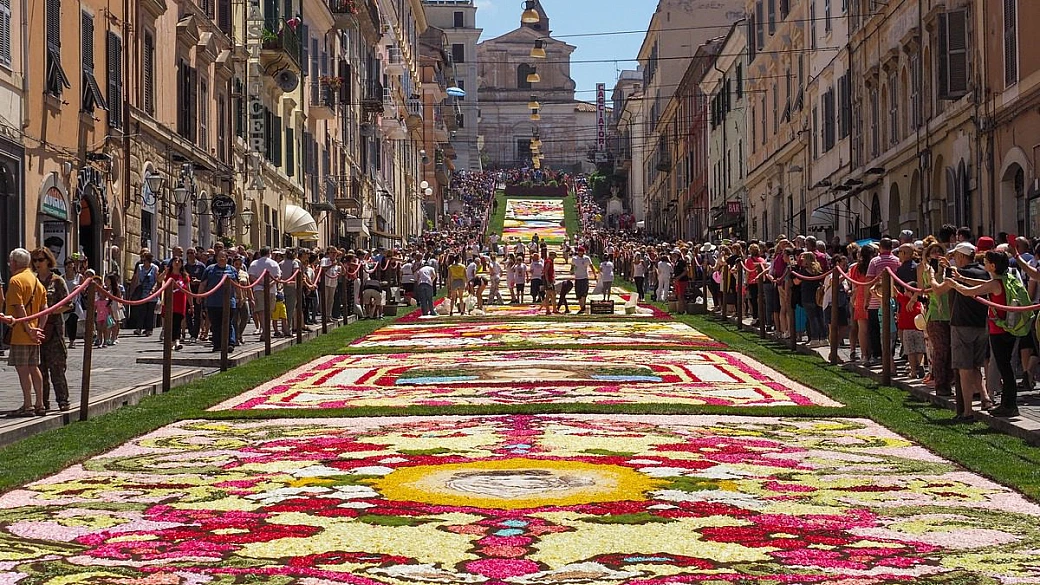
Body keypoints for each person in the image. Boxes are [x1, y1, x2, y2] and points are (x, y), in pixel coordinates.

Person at [947, 249, 1021, 418]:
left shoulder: (994, 283)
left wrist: (953, 284)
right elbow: (978, 285)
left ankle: (1009, 404)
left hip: (998, 330)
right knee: (1006, 366)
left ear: (993, 266)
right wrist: (962, 278)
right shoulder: (1003, 279)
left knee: (1004, 367)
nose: (984, 263)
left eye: (986, 262)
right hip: (1007, 329)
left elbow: (969, 292)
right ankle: (1008, 403)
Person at [932, 242, 992, 421]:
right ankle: (985, 397)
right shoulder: (984, 272)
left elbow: (938, 289)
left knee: (964, 369)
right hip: (982, 325)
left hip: (962, 325)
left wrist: (932, 274)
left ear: (961, 257)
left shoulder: (960, 274)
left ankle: (967, 411)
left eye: (956, 255)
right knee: (975, 365)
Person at [3, 248, 48, 416]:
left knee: (23, 370)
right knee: (34, 368)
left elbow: (19, 307)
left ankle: (28, 405)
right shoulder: (37, 282)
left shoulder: (16, 281)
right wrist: (38, 330)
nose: (9, 265)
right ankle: (40, 403)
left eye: (10, 262)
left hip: (21, 334)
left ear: (14, 263)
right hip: (35, 334)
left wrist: (29, 329)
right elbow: (45, 309)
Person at [34, 248, 72, 412]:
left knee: (56, 367)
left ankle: (62, 400)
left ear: (48, 260)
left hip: (53, 330)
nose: (37, 263)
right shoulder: (33, 281)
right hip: (37, 330)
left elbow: (67, 304)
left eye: (40, 259)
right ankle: (43, 402)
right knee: (40, 368)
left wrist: (49, 311)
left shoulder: (57, 281)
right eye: (34, 260)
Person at [200, 250, 238, 352]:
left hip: (229, 302)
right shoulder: (210, 269)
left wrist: (241, 297)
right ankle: (217, 344)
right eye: (219, 257)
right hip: (213, 302)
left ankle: (230, 343)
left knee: (228, 323)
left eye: (224, 257)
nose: (222, 259)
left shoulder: (232, 270)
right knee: (216, 324)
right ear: (216, 258)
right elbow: (203, 284)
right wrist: (199, 296)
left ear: (227, 259)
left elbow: (237, 285)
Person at [248, 247, 281, 340]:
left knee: (261, 311)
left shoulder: (254, 263)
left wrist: (261, 284)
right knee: (268, 311)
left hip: (258, 289)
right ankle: (266, 331)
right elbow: (277, 277)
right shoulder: (274, 263)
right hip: (271, 290)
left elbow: (251, 276)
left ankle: (265, 331)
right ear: (269, 253)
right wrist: (269, 284)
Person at [161, 257, 191, 351]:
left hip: (180, 303)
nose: (177, 263)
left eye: (179, 261)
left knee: (177, 322)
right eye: (175, 261)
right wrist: (165, 272)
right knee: (170, 323)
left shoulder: (185, 276)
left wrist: (191, 305)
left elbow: (188, 290)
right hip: (169, 303)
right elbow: (159, 280)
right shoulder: (168, 274)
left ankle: (176, 342)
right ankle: (171, 342)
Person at [129, 253, 159, 336]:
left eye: (145, 260)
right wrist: (133, 291)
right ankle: (139, 328)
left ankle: (149, 329)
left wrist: (154, 289)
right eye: (142, 260)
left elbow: (157, 280)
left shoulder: (155, 268)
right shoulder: (140, 267)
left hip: (151, 293)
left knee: (150, 312)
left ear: (149, 261)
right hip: (142, 292)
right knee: (141, 311)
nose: (143, 261)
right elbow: (136, 279)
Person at [571, 246, 596, 314]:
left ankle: (583, 307)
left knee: (584, 293)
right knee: (578, 293)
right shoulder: (574, 258)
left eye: (582, 252)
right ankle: (582, 307)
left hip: (584, 277)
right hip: (577, 278)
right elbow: (572, 266)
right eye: (580, 252)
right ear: (578, 252)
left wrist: (595, 274)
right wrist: (571, 270)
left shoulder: (586, 258)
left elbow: (591, 266)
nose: (581, 253)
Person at [542, 250, 558, 315]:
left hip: (550, 279)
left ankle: (554, 309)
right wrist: (548, 281)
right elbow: (545, 272)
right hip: (547, 279)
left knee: (553, 294)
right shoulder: (548, 261)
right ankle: (547, 310)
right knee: (548, 294)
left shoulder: (551, 261)